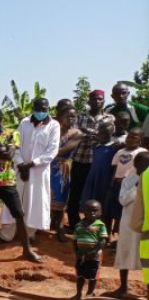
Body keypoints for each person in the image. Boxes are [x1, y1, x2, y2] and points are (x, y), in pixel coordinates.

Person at [0, 108, 41, 264]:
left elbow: (9, 155)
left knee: (19, 215)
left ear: (1, 119)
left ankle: (27, 250)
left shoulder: (12, 134)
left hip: (7, 181)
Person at [15, 98, 61, 241]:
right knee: (15, 198)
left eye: (44, 109)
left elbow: (52, 151)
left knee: (35, 200)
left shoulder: (54, 126)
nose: (41, 112)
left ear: (48, 109)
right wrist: (21, 164)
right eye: (38, 109)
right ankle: (8, 233)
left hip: (39, 171)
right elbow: (15, 145)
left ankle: (30, 233)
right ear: (32, 108)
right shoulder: (24, 123)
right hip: (20, 168)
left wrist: (31, 164)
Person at [70, 90, 114, 228]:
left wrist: (87, 132)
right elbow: (74, 134)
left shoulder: (110, 118)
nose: (97, 102)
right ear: (88, 101)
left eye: (100, 99)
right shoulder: (80, 117)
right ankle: (73, 223)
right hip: (80, 160)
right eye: (94, 99)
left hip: (99, 162)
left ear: (104, 101)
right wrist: (95, 135)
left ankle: (95, 225)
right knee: (76, 192)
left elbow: (108, 136)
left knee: (95, 193)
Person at [110, 152, 149, 297]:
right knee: (125, 253)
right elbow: (123, 200)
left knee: (146, 258)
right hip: (128, 224)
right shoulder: (129, 179)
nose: (144, 169)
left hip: (145, 225)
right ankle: (123, 287)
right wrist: (136, 186)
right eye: (142, 165)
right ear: (135, 165)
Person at [49, 105, 84, 241]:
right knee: (44, 196)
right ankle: (41, 225)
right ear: (60, 117)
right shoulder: (52, 130)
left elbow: (63, 150)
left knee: (60, 198)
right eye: (67, 116)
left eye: (73, 116)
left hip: (62, 168)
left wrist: (45, 154)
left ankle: (59, 227)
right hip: (46, 167)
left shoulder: (77, 133)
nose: (71, 118)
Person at [107, 128, 148, 231]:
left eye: (134, 137)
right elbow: (115, 168)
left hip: (131, 186)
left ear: (140, 140)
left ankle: (118, 232)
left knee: (124, 211)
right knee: (112, 208)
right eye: (129, 136)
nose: (130, 139)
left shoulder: (142, 152)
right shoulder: (120, 152)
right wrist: (112, 183)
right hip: (117, 184)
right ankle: (108, 234)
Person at [81, 121, 117, 224]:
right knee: (89, 200)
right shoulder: (96, 146)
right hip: (92, 177)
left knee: (102, 203)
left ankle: (101, 229)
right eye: (101, 133)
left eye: (107, 134)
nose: (103, 136)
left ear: (111, 134)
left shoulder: (114, 147)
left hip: (104, 179)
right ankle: (87, 225)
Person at [72, 200, 108, 300]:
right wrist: (77, 253)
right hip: (81, 256)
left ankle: (90, 293)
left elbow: (103, 241)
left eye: (95, 210)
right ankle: (78, 294)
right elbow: (74, 240)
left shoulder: (100, 225)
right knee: (80, 275)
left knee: (93, 276)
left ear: (100, 212)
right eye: (89, 210)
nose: (92, 212)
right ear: (83, 211)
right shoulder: (79, 225)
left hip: (95, 257)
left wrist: (94, 252)